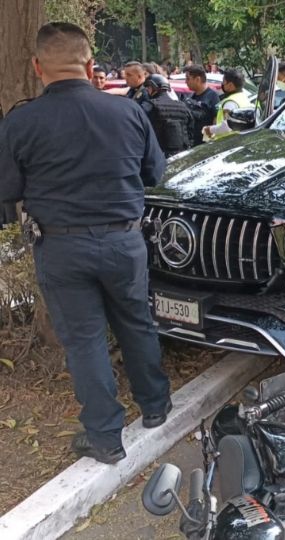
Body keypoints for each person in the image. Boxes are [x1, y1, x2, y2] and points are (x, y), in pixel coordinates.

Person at [0, 22, 171, 464]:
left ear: (38, 66)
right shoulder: (128, 112)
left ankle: (105, 437)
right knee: (137, 323)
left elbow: (8, 190)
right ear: (90, 64)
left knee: (85, 340)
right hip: (124, 242)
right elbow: (155, 173)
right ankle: (156, 407)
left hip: (62, 248)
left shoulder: (20, 121)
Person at [141, 74, 192, 157]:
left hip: (159, 155)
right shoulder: (183, 106)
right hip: (183, 155)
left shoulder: (150, 105)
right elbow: (190, 130)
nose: (147, 90)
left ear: (153, 88)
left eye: (148, 87)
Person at [202, 68, 252, 140]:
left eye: (224, 82)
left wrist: (210, 129)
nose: (222, 84)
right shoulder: (243, 97)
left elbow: (227, 126)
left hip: (229, 142)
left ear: (230, 85)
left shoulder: (230, 103)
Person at [183, 65, 220, 146]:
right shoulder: (190, 97)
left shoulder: (212, 96)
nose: (186, 82)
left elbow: (216, 122)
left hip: (205, 146)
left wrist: (209, 143)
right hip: (191, 145)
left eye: (188, 78)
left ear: (197, 79)